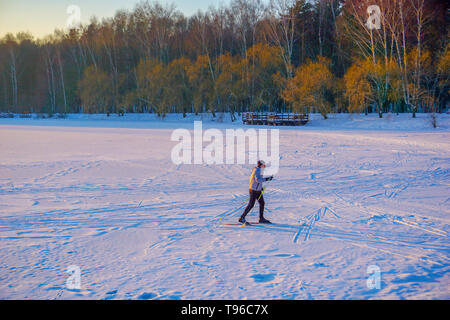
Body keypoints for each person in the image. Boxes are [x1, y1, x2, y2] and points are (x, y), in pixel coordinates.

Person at [239, 160, 274, 225]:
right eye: (264, 164)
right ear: (260, 165)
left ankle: (261, 218)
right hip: (254, 190)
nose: (265, 166)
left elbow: (256, 181)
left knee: (262, 203)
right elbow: (258, 180)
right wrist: (267, 179)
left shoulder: (258, 170)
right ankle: (242, 218)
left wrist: (260, 188)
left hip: (257, 190)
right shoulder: (257, 170)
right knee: (251, 205)